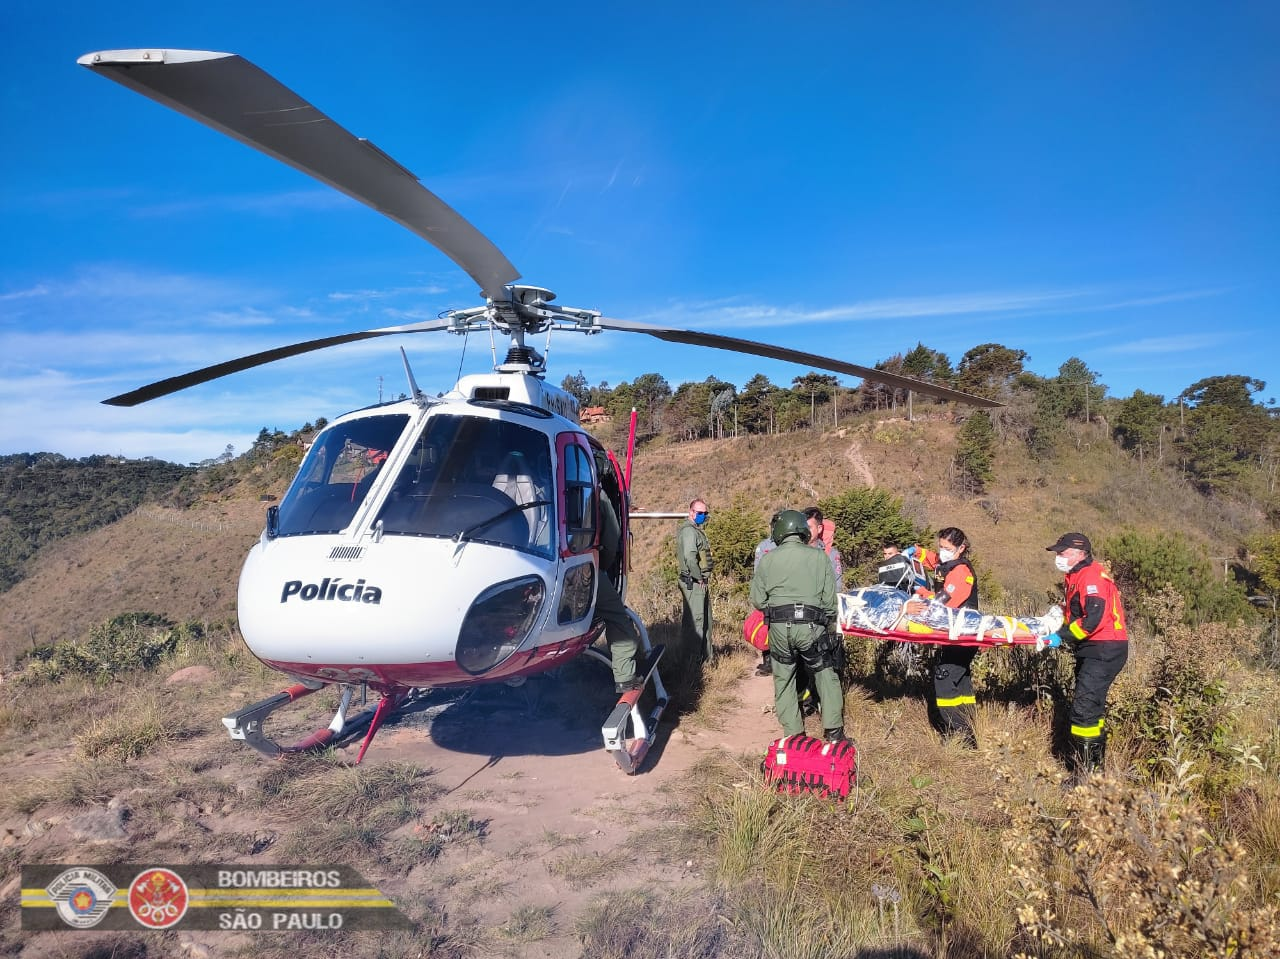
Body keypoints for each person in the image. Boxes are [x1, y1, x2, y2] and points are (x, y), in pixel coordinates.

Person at [750, 509, 847, 743]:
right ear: (803, 530)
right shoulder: (819, 557)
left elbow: (758, 600)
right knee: (825, 673)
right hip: (812, 628)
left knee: (784, 679)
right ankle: (834, 733)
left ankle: (794, 735)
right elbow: (830, 601)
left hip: (780, 630)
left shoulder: (768, 558)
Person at [1046, 532, 1128, 781]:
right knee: (1090, 708)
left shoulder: (1090, 576)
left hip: (1104, 648)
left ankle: (1086, 776)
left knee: (1083, 711)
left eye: (1063, 553)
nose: (1059, 557)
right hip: (1094, 647)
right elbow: (1078, 610)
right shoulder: (1077, 575)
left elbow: (1092, 619)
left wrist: (1062, 636)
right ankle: (1094, 771)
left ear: (1080, 553)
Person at [905, 527, 979, 746]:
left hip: (964, 633)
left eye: (948, 548)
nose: (943, 551)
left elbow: (945, 603)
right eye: (941, 546)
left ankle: (959, 734)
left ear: (961, 548)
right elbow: (931, 559)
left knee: (945, 677)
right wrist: (914, 552)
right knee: (961, 678)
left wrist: (921, 592)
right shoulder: (946, 563)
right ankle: (970, 725)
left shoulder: (961, 572)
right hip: (955, 633)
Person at [596, 492, 642, 694]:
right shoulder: (599, 495)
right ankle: (625, 677)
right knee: (619, 621)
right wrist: (602, 567)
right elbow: (612, 534)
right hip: (585, 567)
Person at [677, 497, 715, 662]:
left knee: (705, 622)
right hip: (694, 583)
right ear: (691, 512)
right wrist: (698, 578)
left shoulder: (696, 529)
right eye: (700, 513)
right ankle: (693, 663)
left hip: (699, 582)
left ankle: (706, 658)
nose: (703, 516)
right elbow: (690, 558)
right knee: (696, 623)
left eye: (705, 513)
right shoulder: (689, 531)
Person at [803, 507, 843, 586]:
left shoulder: (830, 554)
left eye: (809, 527)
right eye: (803, 527)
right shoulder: (792, 549)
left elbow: (836, 587)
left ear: (819, 528)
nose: (805, 531)